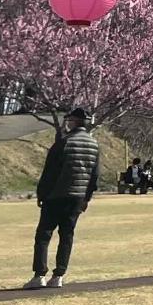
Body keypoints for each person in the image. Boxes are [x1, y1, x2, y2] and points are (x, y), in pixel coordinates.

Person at [27, 107, 100, 289]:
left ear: (73, 122)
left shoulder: (64, 142)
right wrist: (86, 198)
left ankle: (39, 274)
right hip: (77, 197)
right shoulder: (94, 145)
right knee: (66, 235)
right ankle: (59, 274)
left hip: (56, 195)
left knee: (44, 235)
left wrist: (41, 194)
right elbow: (94, 176)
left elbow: (49, 172)